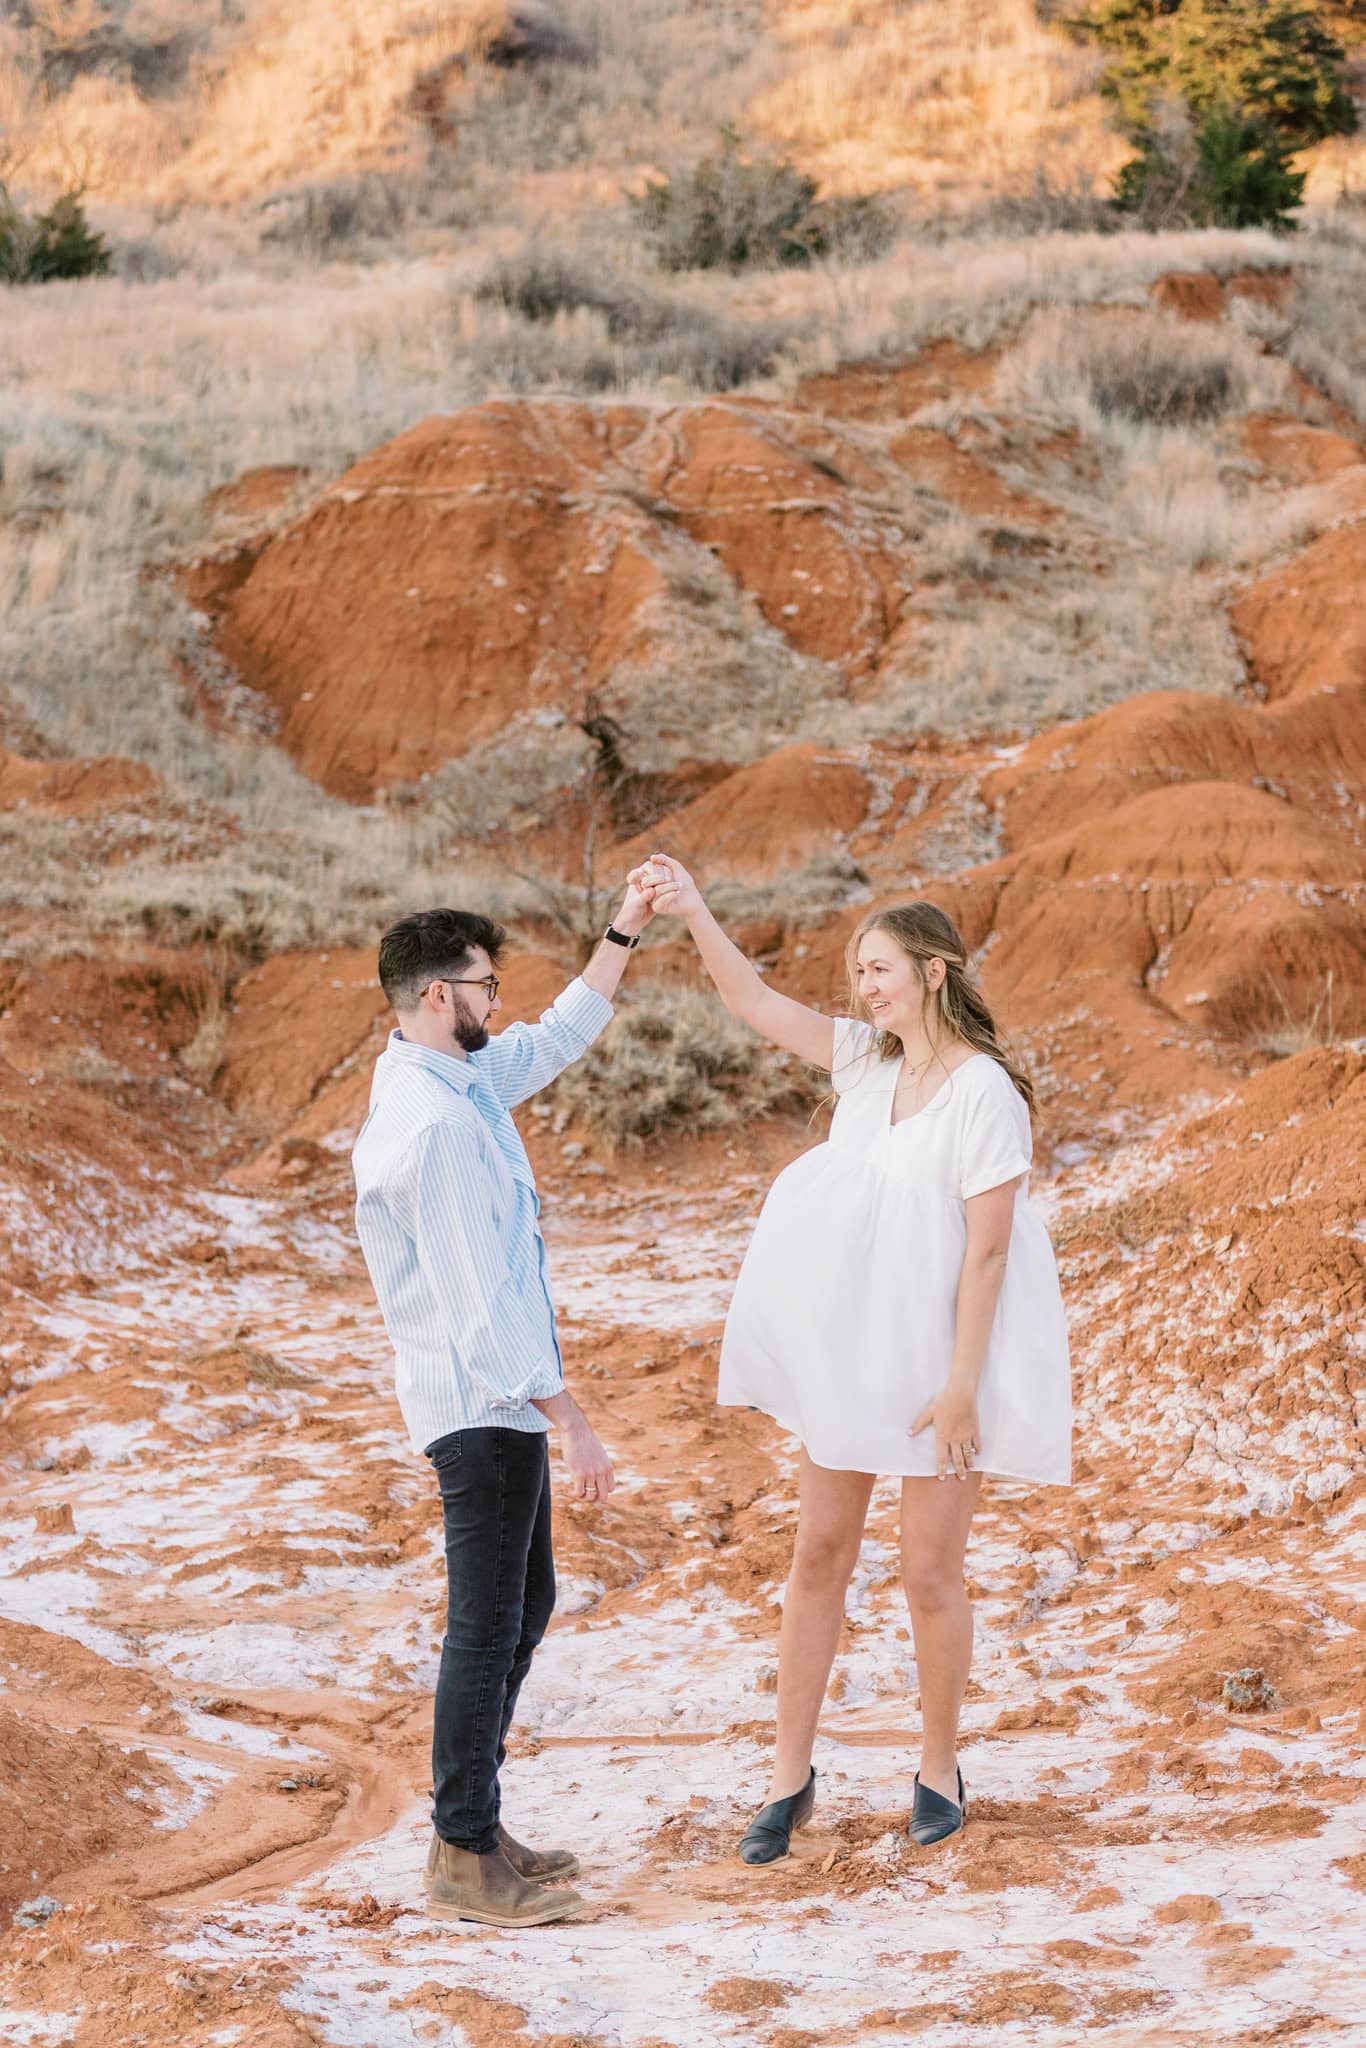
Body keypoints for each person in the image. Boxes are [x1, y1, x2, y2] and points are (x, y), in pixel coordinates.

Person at [634, 854, 1071, 1860]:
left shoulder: (982, 1092)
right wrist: (693, 904)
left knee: (928, 1572)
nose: (863, 986)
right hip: (849, 1353)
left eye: (878, 967)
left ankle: (936, 1765)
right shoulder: (862, 1062)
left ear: (932, 970)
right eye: (855, 970)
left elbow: (991, 1248)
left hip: (937, 1367)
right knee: (817, 1554)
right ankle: (789, 1777)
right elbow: (747, 997)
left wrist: (961, 1386)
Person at [351, 887, 652, 1926]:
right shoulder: (432, 1122)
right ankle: (463, 1852)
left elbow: (557, 1034)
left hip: (497, 1404)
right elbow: (480, 1306)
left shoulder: (459, 1074)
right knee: (485, 1626)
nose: (498, 997)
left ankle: (474, 1822)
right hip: (481, 1405)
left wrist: (624, 926)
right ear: (440, 995)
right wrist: (571, 1416)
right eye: (485, 982)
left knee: (520, 1609)